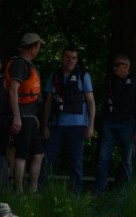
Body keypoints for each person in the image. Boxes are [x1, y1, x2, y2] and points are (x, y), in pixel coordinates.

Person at [42, 45, 95, 192]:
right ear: (62, 57)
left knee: (76, 162)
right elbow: (48, 101)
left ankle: (75, 195)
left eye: (73, 58)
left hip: (77, 126)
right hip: (56, 125)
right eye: (67, 57)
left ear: (77, 60)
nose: (70, 60)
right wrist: (45, 125)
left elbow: (91, 101)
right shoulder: (55, 76)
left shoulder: (83, 75)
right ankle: (40, 192)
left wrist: (91, 125)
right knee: (47, 159)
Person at [94, 54, 136, 195]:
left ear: (126, 66)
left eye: (117, 65)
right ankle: (99, 191)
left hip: (128, 125)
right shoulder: (110, 81)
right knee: (103, 158)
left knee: (127, 160)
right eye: (114, 65)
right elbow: (105, 103)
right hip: (110, 124)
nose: (114, 67)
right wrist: (103, 121)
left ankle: (126, 193)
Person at [6, 33, 44, 193]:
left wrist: (33, 114)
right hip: (22, 117)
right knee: (21, 155)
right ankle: (19, 191)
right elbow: (13, 91)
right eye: (38, 46)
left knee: (38, 154)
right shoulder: (19, 64)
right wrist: (17, 117)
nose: (39, 49)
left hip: (30, 117)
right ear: (33, 47)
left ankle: (32, 191)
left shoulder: (28, 65)